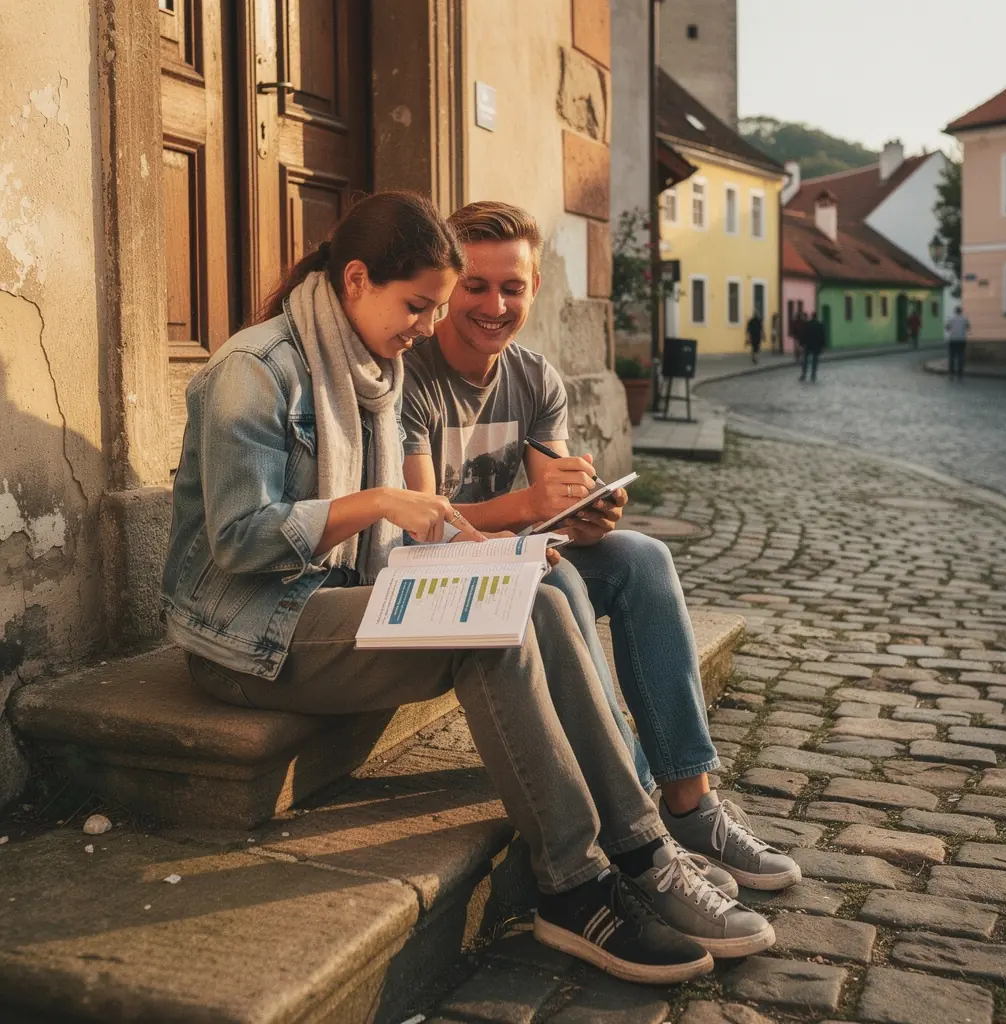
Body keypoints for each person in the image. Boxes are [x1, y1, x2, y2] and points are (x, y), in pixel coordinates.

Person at [161, 190, 769, 984]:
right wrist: (377, 502)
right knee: (496, 626)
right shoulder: (256, 369)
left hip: (342, 600)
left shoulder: (369, 368)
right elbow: (239, 543)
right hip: (251, 630)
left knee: (540, 593)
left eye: (433, 309)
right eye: (420, 306)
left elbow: (405, 546)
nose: (425, 327)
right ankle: (574, 887)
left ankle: (643, 848)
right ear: (354, 280)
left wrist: (502, 555)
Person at [401, 200, 801, 933]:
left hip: (522, 558)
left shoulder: (534, 379)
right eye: (477, 286)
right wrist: (530, 507)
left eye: (513, 288)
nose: (495, 306)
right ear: (448, 283)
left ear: (532, 290)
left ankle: (691, 803)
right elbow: (417, 528)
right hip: (446, 579)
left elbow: (550, 510)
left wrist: (587, 512)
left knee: (640, 556)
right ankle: (631, 821)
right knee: (549, 577)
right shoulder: (411, 378)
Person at [799, 310, 826, 382]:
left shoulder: (807, 324)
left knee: (805, 360)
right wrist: (823, 346)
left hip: (808, 345)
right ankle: (813, 375)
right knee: (815, 361)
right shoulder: (820, 325)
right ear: (816, 317)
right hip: (816, 346)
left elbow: (803, 334)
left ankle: (804, 374)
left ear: (812, 316)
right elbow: (822, 336)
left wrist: (801, 344)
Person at [946, 305, 970, 380]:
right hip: (961, 340)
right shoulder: (965, 319)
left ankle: (951, 373)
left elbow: (947, 327)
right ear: (961, 311)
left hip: (953, 340)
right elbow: (968, 327)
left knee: (951, 357)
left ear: (955, 311)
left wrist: (952, 329)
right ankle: (960, 374)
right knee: (961, 357)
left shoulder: (951, 319)